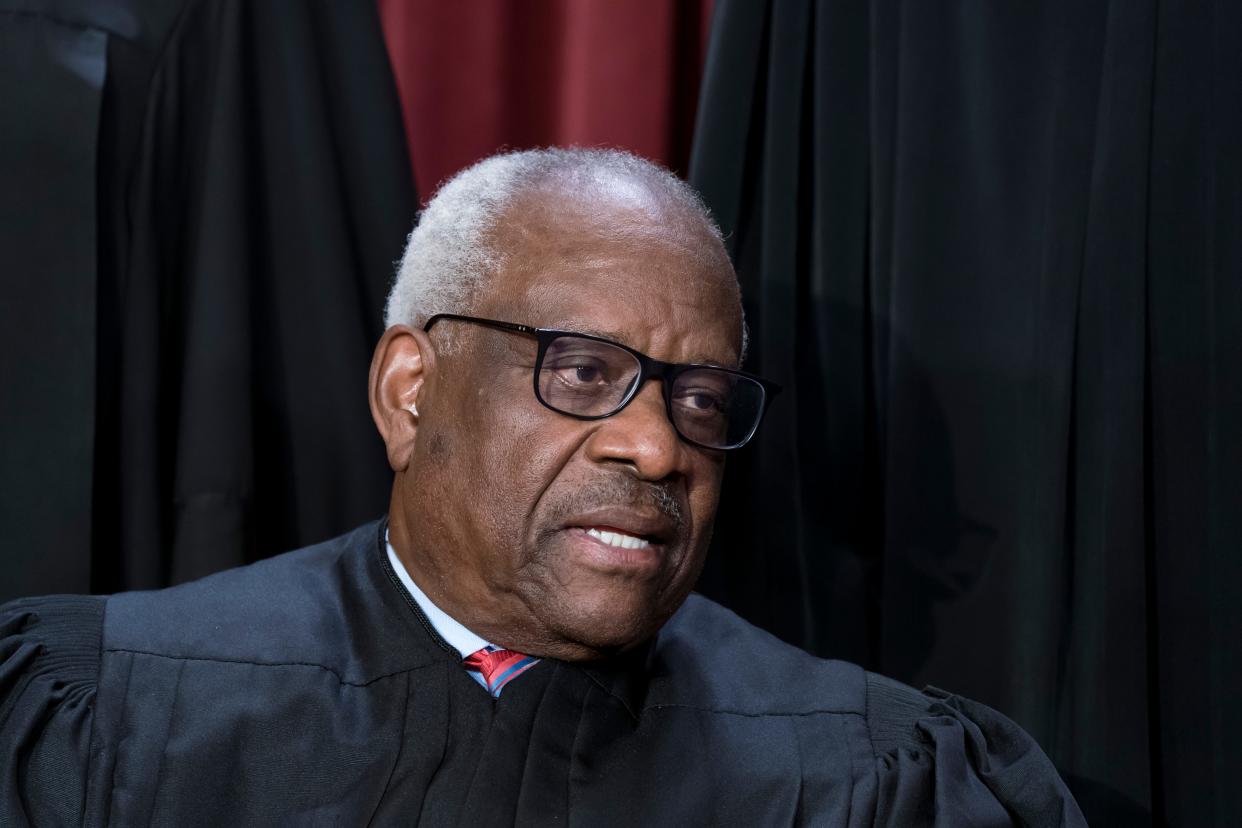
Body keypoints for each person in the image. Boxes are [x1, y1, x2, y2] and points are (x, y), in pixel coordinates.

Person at [0, 148, 1085, 826]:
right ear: (410, 391)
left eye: (700, 400)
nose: (658, 451)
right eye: (582, 372)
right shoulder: (107, 719)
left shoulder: (871, 781)